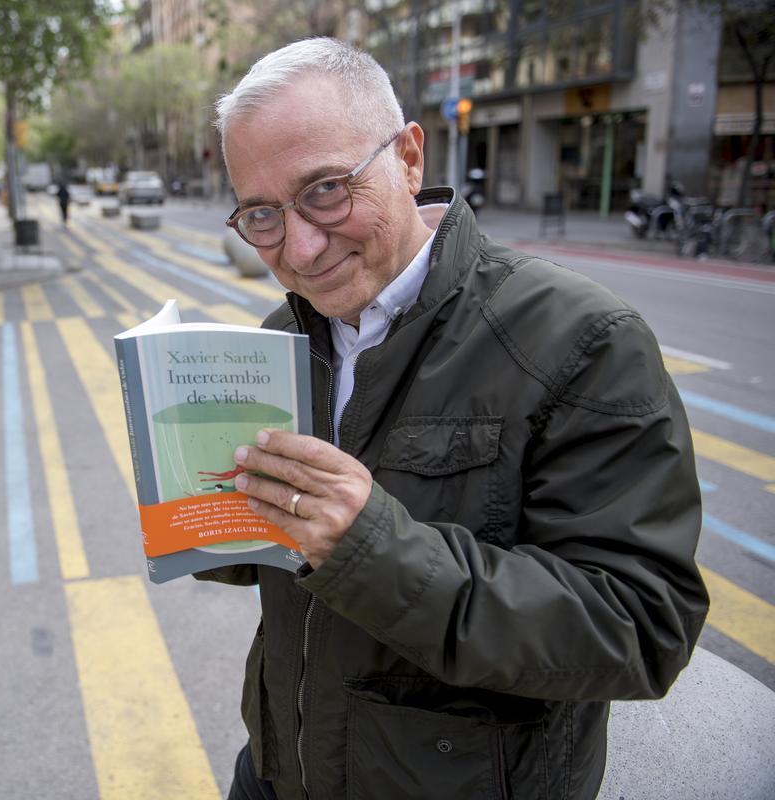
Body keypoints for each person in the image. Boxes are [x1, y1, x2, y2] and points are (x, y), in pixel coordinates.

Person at [201, 38, 708, 800]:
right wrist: (208, 519)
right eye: (262, 215)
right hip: (279, 769)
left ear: (408, 158)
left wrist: (372, 548)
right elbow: (281, 566)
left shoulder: (581, 340)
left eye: (328, 191)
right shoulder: (283, 336)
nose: (300, 248)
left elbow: (641, 628)